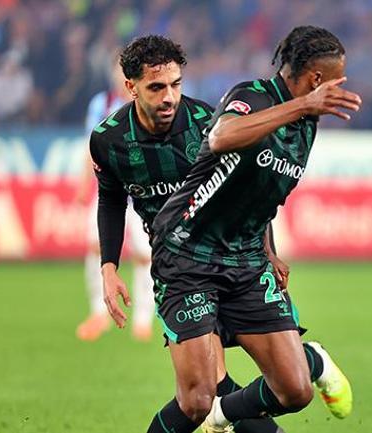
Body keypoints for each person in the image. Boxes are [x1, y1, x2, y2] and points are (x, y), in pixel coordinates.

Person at [143, 26, 361, 433]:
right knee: (195, 400)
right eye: (336, 80)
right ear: (316, 79)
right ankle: (211, 413)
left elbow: (259, 192)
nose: (340, 88)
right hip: (188, 252)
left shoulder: (306, 124)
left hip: (245, 259)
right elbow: (222, 137)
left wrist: (268, 250)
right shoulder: (254, 96)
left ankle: (226, 414)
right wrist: (302, 105)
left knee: (295, 390)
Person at [89, 35, 303, 433]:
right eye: (156, 87)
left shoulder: (209, 123)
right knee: (203, 397)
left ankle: (309, 366)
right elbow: (111, 200)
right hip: (181, 268)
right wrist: (109, 267)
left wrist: (268, 251)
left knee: (274, 388)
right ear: (131, 87)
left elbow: (245, 193)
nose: (169, 97)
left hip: (236, 259)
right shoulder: (109, 140)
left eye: (175, 84)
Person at [75, 51, 154, 342]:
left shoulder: (146, 102)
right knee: (96, 247)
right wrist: (84, 182)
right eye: (116, 71)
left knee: (145, 255)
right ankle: (99, 313)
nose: (120, 77)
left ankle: (143, 318)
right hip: (108, 191)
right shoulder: (102, 103)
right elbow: (91, 144)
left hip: (141, 193)